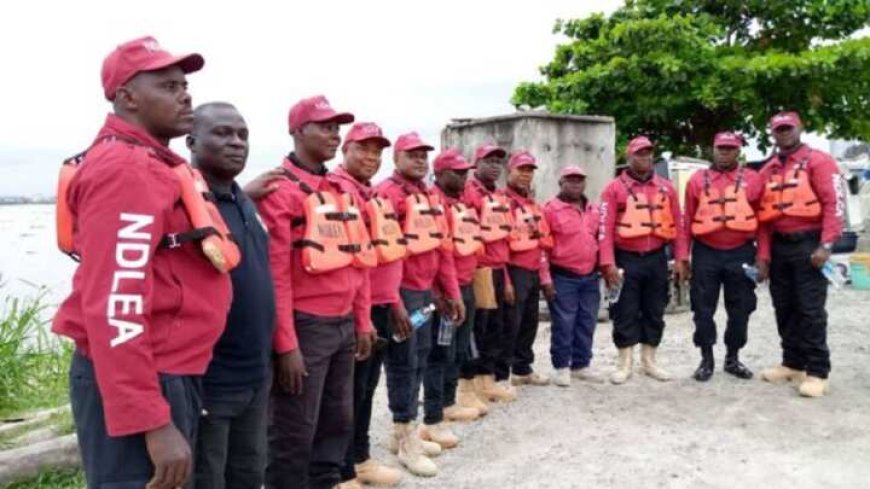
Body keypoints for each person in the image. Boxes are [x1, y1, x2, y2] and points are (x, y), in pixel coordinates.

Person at [52, 36, 232, 489]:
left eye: (184, 85)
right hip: (148, 376)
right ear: (127, 97)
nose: (186, 94)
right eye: (169, 86)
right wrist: (151, 418)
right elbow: (116, 302)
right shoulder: (126, 170)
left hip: (166, 371)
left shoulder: (150, 162)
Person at [256, 95, 373, 489]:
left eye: (336, 127)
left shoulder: (340, 190)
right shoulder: (280, 190)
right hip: (306, 329)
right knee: (293, 430)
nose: (334, 134)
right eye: (324, 126)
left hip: (342, 326)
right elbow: (276, 275)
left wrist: (362, 320)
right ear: (297, 131)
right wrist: (285, 344)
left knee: (337, 423)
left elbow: (357, 261)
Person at [186, 102, 275, 489]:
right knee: (209, 476)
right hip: (212, 378)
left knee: (250, 473)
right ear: (191, 141)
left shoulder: (245, 201)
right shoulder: (186, 205)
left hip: (255, 374)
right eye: (222, 133)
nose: (236, 142)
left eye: (242, 135)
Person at [374, 133, 464, 478]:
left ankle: (404, 431)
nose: (420, 160)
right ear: (396, 157)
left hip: (425, 294)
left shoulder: (430, 196)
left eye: (424, 155)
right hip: (400, 294)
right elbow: (383, 256)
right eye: (412, 155)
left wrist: (451, 292)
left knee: (421, 357)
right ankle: (405, 436)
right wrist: (393, 301)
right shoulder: (387, 194)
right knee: (402, 363)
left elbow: (442, 250)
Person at [331, 122, 403, 489]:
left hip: (377, 306)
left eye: (377, 152)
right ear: (345, 150)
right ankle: (342, 471)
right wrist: (363, 317)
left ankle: (360, 459)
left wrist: (393, 302)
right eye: (363, 149)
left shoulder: (369, 194)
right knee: (346, 396)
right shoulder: (340, 192)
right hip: (354, 311)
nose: (371, 158)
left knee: (364, 391)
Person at [756, 111, 844, 398]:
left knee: (810, 309)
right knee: (784, 307)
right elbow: (764, 219)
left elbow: (835, 204)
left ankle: (817, 371)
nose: (784, 133)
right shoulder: (768, 170)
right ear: (772, 133)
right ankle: (792, 363)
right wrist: (764, 256)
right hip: (779, 246)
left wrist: (826, 244)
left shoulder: (819, 161)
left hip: (809, 244)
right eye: (778, 129)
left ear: (799, 128)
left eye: (788, 128)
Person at [599, 136, 689, 384]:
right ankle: (624, 363)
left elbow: (679, 225)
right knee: (624, 310)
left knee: (655, 309)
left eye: (649, 153)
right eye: (639, 153)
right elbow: (604, 229)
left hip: (657, 258)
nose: (645, 158)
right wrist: (607, 263)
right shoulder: (613, 189)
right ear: (629, 158)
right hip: (625, 259)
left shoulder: (666, 188)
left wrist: (681, 257)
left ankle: (649, 361)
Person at [684, 132, 762, 382]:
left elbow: (764, 223)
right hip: (706, 251)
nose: (724, 152)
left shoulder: (753, 180)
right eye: (720, 147)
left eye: (730, 148)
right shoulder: (696, 181)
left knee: (741, 308)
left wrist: (764, 256)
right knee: (702, 309)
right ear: (713, 149)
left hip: (742, 251)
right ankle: (706, 359)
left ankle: (733, 357)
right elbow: (686, 221)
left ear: (738, 150)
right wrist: (682, 257)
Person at [429, 149, 487, 422]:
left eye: (466, 171)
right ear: (439, 173)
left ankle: (451, 400)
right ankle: (438, 406)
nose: (465, 176)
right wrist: (440, 293)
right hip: (444, 290)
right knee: (442, 349)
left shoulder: (464, 202)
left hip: (466, 283)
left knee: (460, 346)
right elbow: (438, 253)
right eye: (458, 172)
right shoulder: (433, 203)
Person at [464, 142, 517, 402]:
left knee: (496, 328)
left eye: (499, 162)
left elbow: (502, 241)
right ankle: (469, 387)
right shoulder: (468, 192)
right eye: (489, 161)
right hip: (478, 270)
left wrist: (505, 278)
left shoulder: (499, 195)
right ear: (477, 163)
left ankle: (488, 381)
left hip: (498, 270)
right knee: (477, 329)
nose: (495, 166)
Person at [541, 165, 602, 387]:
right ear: (561, 183)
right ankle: (561, 366)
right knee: (564, 323)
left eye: (579, 180)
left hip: (590, 276)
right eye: (570, 180)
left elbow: (600, 241)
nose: (575, 184)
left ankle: (581, 364)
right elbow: (543, 248)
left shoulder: (594, 210)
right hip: (563, 276)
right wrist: (545, 279)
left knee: (587, 320)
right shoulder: (549, 210)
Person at [501, 150, 552, 387]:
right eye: (521, 169)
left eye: (529, 170)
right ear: (509, 171)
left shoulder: (533, 204)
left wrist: (544, 276)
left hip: (532, 271)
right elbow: (499, 244)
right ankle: (504, 373)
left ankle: (522, 368)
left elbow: (541, 243)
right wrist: (506, 280)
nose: (525, 174)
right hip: (514, 269)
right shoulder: (502, 202)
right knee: (511, 323)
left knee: (530, 322)